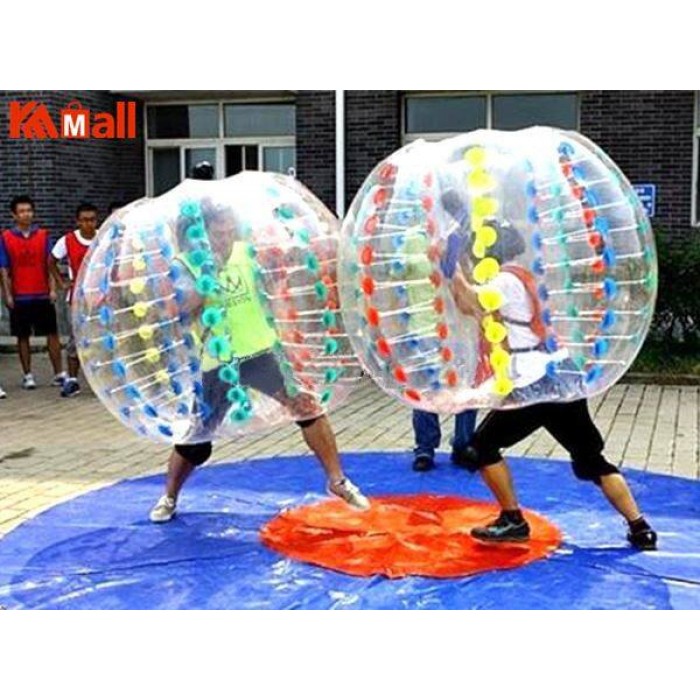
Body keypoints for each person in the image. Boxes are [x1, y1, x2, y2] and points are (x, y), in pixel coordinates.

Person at [149, 163, 369, 523]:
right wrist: (206, 280)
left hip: (261, 352)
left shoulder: (245, 253)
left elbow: (273, 284)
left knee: (307, 407)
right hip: (218, 361)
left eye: (229, 228)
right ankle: (169, 496)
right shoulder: (187, 263)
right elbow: (180, 311)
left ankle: (337, 480)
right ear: (204, 231)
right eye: (218, 230)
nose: (225, 236)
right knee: (196, 443)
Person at [450, 220, 658, 551]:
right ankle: (640, 526)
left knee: (479, 449)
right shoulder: (523, 276)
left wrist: (451, 264)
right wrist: (458, 268)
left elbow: (471, 301)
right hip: (562, 376)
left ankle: (513, 520)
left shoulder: (504, 281)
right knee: (590, 460)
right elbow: (470, 306)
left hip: (536, 383)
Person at [0, 195, 64, 390]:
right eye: (21, 211)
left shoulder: (43, 236)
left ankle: (58, 373)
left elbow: (50, 264)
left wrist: (53, 289)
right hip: (20, 295)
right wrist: (7, 294)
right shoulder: (6, 238)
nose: (26, 214)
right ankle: (28, 375)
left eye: (29, 210)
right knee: (22, 336)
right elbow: (4, 269)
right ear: (14, 215)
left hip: (42, 293)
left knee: (52, 334)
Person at [49, 203, 99, 398]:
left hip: (100, 299)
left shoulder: (103, 238)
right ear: (78, 221)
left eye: (92, 220)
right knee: (75, 339)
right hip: (78, 300)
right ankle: (72, 380)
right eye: (84, 220)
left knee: (100, 339)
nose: (88, 224)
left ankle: (101, 380)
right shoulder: (68, 240)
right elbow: (51, 261)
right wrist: (61, 282)